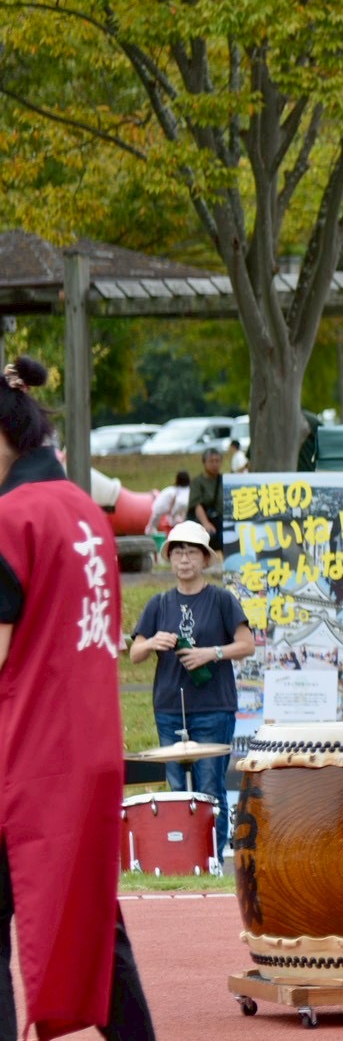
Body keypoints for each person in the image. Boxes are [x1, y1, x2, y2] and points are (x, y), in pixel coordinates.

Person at [0, 357, 156, 1040]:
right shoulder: (85, 513)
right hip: (87, 750)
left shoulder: (10, 518)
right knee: (94, 923)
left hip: (25, 756)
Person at [127, 520, 255, 857]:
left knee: (210, 786)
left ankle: (212, 856)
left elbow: (247, 644)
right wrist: (152, 642)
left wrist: (210, 653)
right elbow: (135, 653)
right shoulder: (158, 603)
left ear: (205, 559)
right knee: (176, 788)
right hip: (169, 707)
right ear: (169, 559)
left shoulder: (222, 599)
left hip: (214, 707)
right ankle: (183, 857)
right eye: (178, 553)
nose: (184, 560)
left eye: (191, 553)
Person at [187, 447, 224, 547]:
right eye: (211, 461)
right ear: (204, 463)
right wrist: (206, 523)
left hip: (222, 521)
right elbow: (197, 505)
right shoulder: (198, 482)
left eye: (217, 461)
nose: (215, 464)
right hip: (205, 521)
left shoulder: (224, 480)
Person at [145, 469, 190, 535]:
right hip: (164, 506)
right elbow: (175, 503)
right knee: (173, 519)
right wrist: (171, 512)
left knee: (155, 521)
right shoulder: (180, 490)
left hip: (161, 506)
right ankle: (151, 531)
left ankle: (150, 531)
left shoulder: (174, 490)